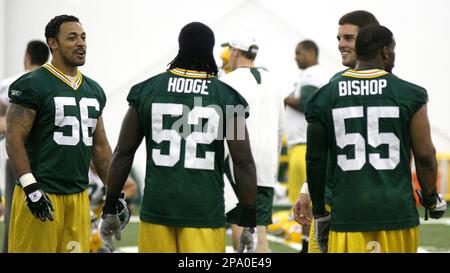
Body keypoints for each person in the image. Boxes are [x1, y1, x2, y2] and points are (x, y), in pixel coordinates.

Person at [100, 22, 257, 253]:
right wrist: (249, 219)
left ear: (180, 46)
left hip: (157, 209)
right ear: (211, 49)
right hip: (204, 211)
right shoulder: (227, 98)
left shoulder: (147, 91)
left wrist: (110, 206)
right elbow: (242, 161)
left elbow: (124, 152)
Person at [306, 24, 447, 253]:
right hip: (396, 211)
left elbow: (315, 161)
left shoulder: (323, 97)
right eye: (393, 50)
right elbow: (425, 155)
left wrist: (320, 212)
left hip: (348, 212)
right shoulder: (410, 94)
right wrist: (430, 197)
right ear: (385, 52)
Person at [6, 15, 113, 253]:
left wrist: (115, 193)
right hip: (40, 192)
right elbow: (14, 138)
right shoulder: (33, 83)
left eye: (83, 37)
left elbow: (100, 146)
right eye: (72, 37)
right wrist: (30, 187)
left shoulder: (93, 90)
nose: (81, 43)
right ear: (53, 43)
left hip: (78, 196)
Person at [293, 10, 380, 253]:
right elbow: (327, 147)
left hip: (363, 205)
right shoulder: (336, 82)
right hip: (337, 199)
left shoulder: (334, 86)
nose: (341, 44)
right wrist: (308, 188)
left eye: (348, 38)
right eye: (339, 38)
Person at [220, 32, 285, 253]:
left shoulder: (228, 81)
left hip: (238, 159)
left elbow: (227, 125)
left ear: (236, 51)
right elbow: (280, 128)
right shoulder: (273, 82)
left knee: (240, 222)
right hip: (267, 162)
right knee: (260, 228)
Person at [0, 40, 50, 252]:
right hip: (48, 157)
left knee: (15, 212)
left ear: (27, 57)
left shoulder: (10, 83)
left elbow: (2, 119)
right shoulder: (52, 81)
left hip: (18, 157)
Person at [283, 40, 328, 252]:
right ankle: (304, 244)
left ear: (311, 52)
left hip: (305, 145)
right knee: (299, 205)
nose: (295, 57)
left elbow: (307, 103)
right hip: (298, 146)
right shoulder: (308, 74)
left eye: (299, 53)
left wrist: (283, 98)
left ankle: (311, 245)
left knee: (306, 202)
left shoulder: (313, 73)